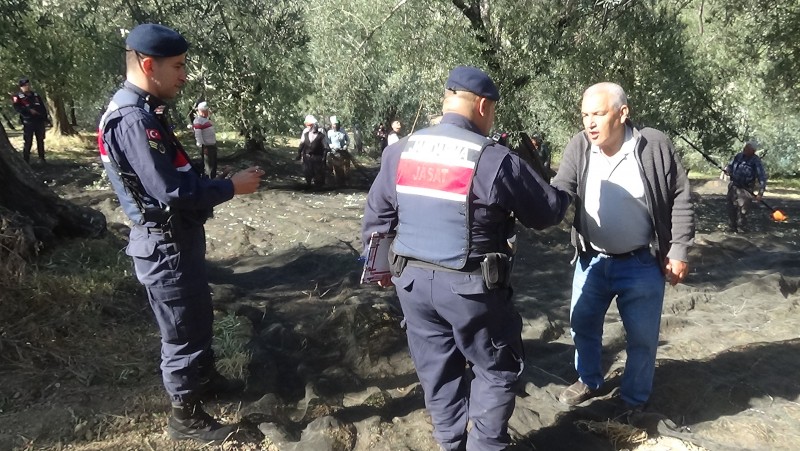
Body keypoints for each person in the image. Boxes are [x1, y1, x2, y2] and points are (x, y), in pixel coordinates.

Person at [361, 65, 571, 451]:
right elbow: (545, 213)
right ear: (483, 105)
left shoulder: (400, 151)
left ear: (447, 101)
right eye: (493, 112)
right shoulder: (494, 159)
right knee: (497, 370)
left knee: (438, 373)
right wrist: (563, 189)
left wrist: (378, 268)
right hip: (471, 289)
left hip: (412, 286)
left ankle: (450, 444)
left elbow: (378, 215)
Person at [97, 23, 264, 444]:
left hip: (175, 239)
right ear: (148, 65)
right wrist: (231, 187)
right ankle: (185, 416)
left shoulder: (141, 110)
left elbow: (171, 177)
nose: (184, 75)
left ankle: (204, 381)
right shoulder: (134, 120)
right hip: (164, 243)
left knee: (196, 314)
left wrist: (215, 182)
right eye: (178, 66)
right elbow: (170, 190)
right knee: (182, 329)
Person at [551, 82, 695, 416]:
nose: (590, 123)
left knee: (642, 338)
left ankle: (633, 399)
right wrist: (539, 203)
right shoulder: (580, 146)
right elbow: (561, 188)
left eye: (598, 114)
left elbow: (681, 195)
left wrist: (678, 249)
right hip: (591, 260)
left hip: (640, 262)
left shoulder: (653, 144)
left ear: (622, 113)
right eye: (585, 115)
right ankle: (589, 379)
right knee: (582, 325)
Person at [724, 140, 767, 232]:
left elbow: (762, 177)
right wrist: (728, 170)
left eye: (747, 148)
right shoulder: (738, 156)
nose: (744, 149)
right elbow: (730, 166)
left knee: (743, 209)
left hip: (746, 189)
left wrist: (760, 193)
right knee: (731, 207)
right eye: (745, 147)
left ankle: (741, 228)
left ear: (753, 151)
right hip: (733, 186)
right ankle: (731, 227)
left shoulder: (756, 161)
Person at [12, 78, 51, 164]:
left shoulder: (35, 95)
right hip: (28, 121)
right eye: (25, 85)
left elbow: (42, 107)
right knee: (28, 140)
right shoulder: (17, 96)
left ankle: (41, 158)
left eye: (28, 85)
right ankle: (26, 159)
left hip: (39, 120)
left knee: (40, 139)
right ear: (21, 87)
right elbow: (17, 108)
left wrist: (45, 118)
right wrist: (28, 111)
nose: (27, 87)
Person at [296, 114, 330, 188]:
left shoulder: (321, 132)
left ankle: (318, 185)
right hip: (307, 156)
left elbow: (325, 145)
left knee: (318, 172)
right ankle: (308, 184)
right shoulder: (305, 132)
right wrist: (299, 153)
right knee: (307, 171)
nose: (308, 126)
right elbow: (302, 143)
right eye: (307, 125)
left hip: (318, 156)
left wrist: (324, 156)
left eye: (310, 125)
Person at [192, 101, 218, 178]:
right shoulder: (198, 121)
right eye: (205, 110)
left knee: (213, 165)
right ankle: (209, 180)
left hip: (212, 146)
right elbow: (198, 135)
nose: (207, 112)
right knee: (209, 167)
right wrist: (203, 147)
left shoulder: (205, 120)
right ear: (201, 111)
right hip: (207, 147)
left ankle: (213, 180)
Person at [326, 115, 351, 186]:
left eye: (337, 124)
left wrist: (346, 145)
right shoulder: (329, 132)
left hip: (343, 151)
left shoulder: (342, 131)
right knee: (332, 166)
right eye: (334, 124)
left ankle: (346, 180)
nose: (336, 126)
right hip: (334, 152)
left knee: (346, 166)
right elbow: (328, 142)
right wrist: (332, 146)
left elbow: (348, 140)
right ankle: (334, 181)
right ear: (332, 125)